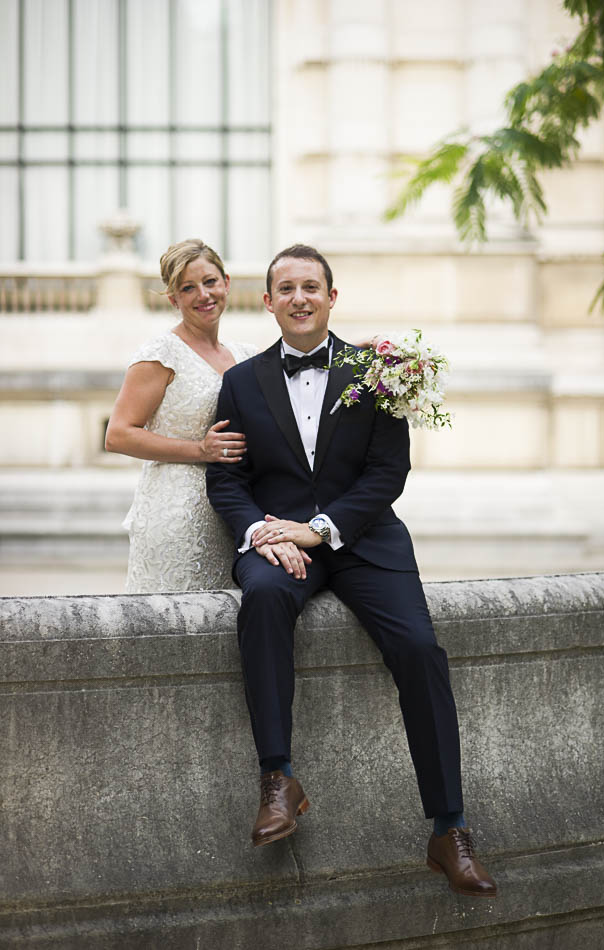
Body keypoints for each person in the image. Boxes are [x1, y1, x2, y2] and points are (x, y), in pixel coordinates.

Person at [205, 244, 497, 898]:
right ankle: (278, 781)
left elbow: (388, 473)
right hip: (282, 543)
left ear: (332, 298)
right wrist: (259, 534)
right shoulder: (241, 382)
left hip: (365, 541)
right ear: (269, 301)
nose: (300, 297)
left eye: (312, 286)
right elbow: (226, 481)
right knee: (261, 603)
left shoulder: (379, 371)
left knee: (421, 649)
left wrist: (324, 528)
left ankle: (449, 829)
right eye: (287, 288)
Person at [105, 238, 258, 593]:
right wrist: (199, 451)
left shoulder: (245, 354)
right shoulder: (161, 353)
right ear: (174, 299)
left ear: (226, 283)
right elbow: (118, 434)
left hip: (231, 514)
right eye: (188, 288)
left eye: (210, 282)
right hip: (175, 517)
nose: (203, 294)